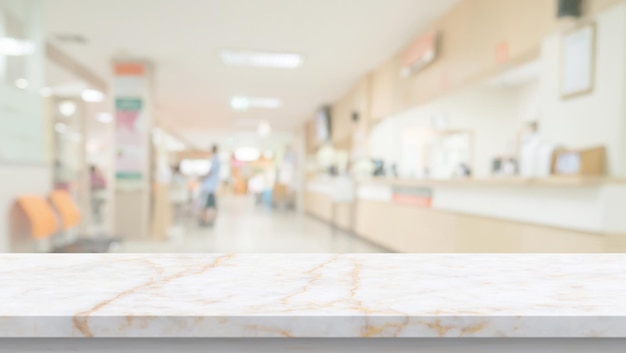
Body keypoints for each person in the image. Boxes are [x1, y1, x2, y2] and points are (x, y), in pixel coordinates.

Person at [200, 145, 221, 226]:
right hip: (212, 186)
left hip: (208, 187)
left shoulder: (214, 159)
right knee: (212, 205)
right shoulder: (217, 159)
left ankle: (206, 220)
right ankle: (210, 220)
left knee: (205, 205)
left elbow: (210, 172)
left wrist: (202, 177)